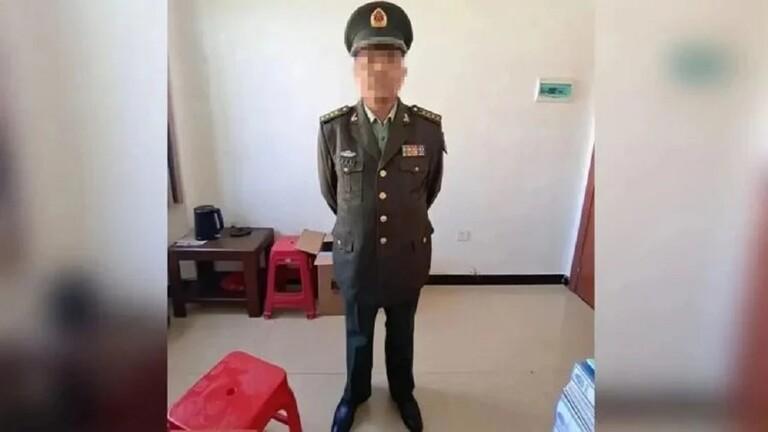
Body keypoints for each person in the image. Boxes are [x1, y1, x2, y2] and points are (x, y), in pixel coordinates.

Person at [317, 2, 445, 431]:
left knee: (402, 332)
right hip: (357, 256)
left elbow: (429, 190)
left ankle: (403, 392)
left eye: (389, 59)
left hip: (407, 253)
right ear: (355, 70)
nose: (378, 70)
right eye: (368, 60)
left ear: (403, 71)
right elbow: (333, 195)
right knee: (357, 334)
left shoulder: (427, 129)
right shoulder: (333, 129)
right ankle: (353, 395)